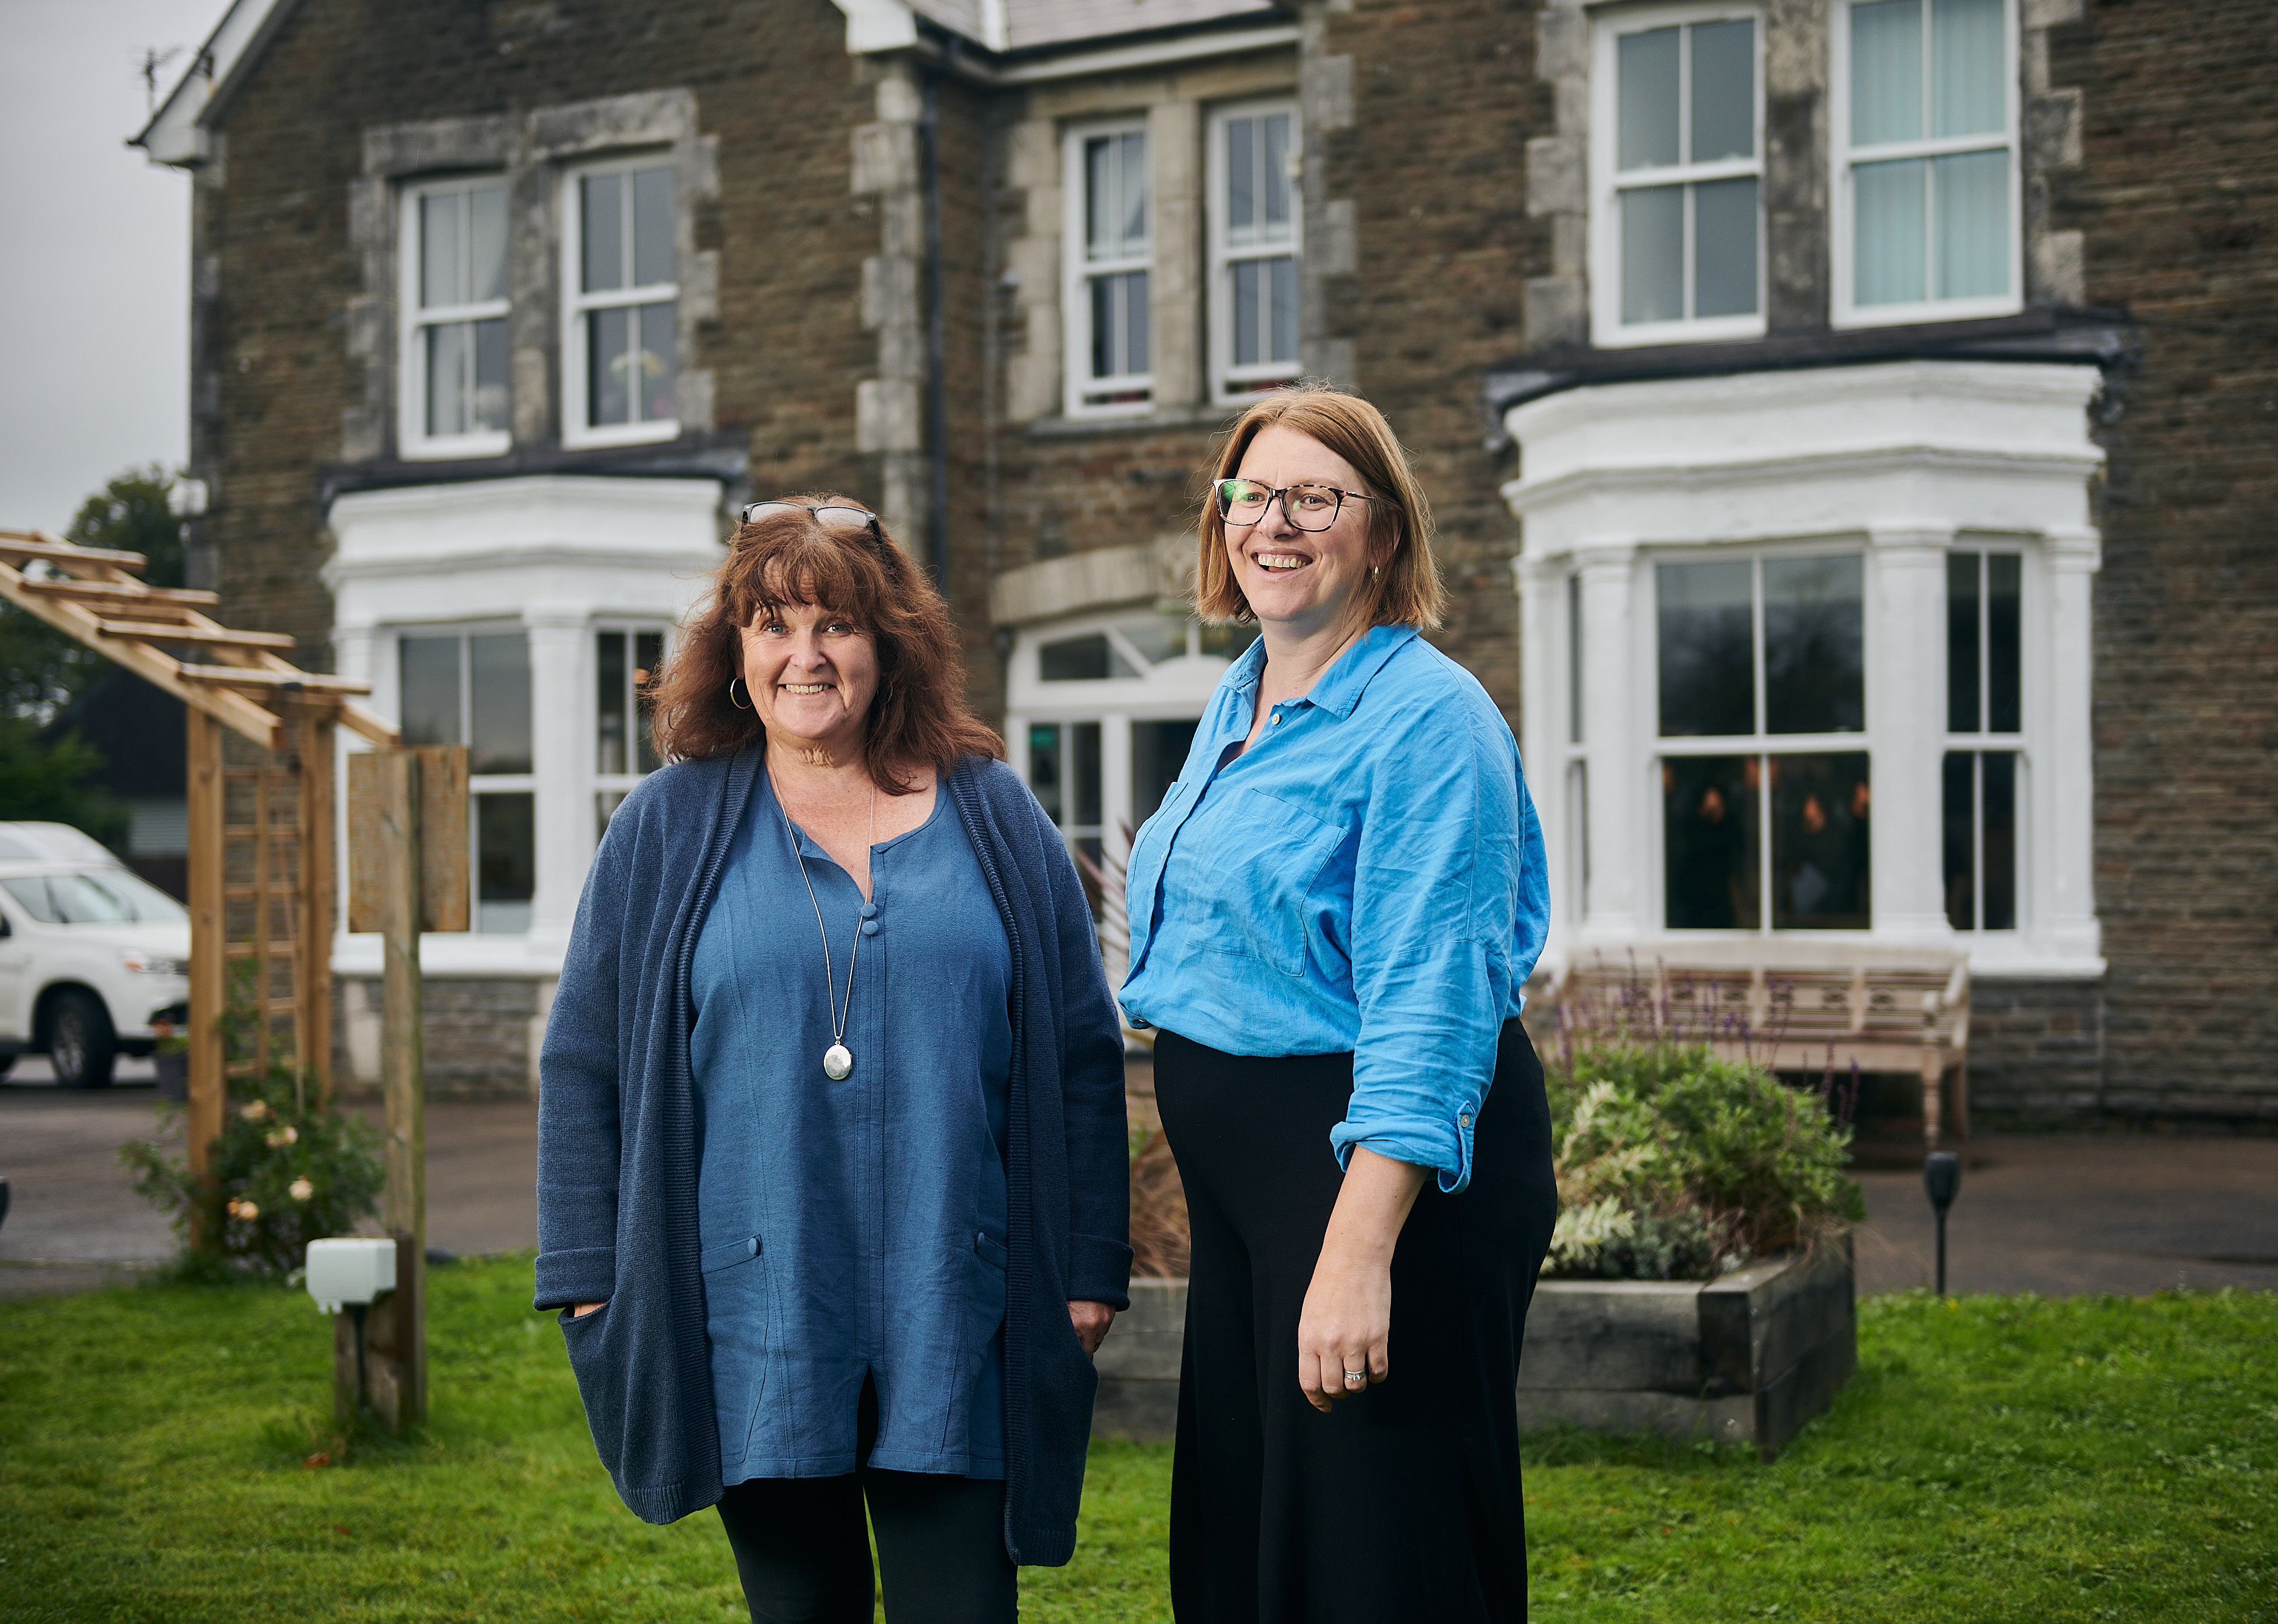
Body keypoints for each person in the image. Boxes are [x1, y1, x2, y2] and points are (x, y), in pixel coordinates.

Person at [535, 496, 1133, 1624]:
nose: (804, 656)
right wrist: (582, 1272)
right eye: (772, 626)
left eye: (836, 626)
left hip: (959, 1298)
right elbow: (584, 1062)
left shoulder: (996, 816)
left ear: (888, 643)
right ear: (734, 651)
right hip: (755, 1305)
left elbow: (1081, 1053)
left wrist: (1093, 1266)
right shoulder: (666, 828)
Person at [1119, 387, 1558, 1623]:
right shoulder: (1241, 695)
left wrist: (1357, 1252)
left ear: (1381, 533)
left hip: (1375, 1181)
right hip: (1260, 1197)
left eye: (1315, 497)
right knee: (1256, 1526)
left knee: (1374, 1551)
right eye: (1251, 494)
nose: (1275, 521)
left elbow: (1433, 999)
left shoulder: (1426, 716)